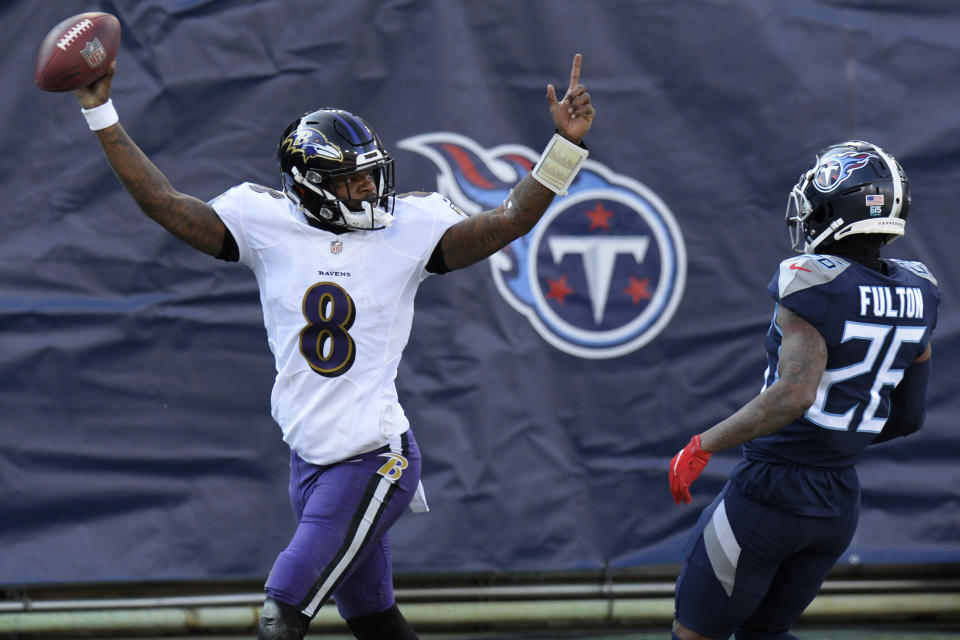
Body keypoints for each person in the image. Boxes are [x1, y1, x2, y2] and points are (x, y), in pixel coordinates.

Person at [70, 53, 593, 640]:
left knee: (282, 610)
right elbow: (163, 203)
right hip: (308, 459)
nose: (369, 186)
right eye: (351, 179)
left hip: (374, 458)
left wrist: (562, 150)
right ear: (309, 188)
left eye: (371, 172)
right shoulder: (263, 222)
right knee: (373, 619)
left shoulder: (409, 228)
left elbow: (508, 219)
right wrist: (100, 109)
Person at [667, 140, 940, 640]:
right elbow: (909, 417)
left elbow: (794, 395)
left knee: (695, 635)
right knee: (764, 634)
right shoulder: (920, 290)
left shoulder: (812, 281)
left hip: (769, 495)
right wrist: (835, 444)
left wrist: (702, 443)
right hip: (838, 503)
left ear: (840, 206)